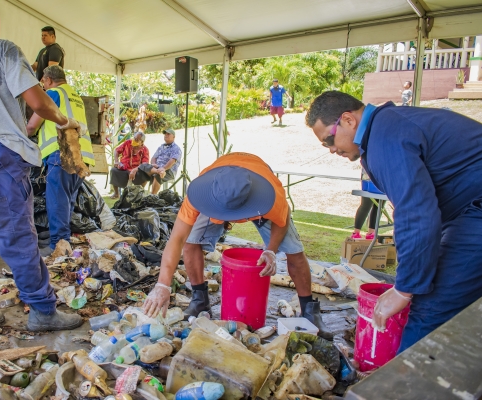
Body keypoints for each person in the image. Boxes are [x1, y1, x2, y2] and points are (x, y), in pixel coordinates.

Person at [306, 90, 482, 352]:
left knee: (428, 310)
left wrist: (404, 290)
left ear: (348, 120)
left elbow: (416, 214)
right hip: (476, 208)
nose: (331, 149)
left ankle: (400, 387)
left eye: (329, 139)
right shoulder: (389, 125)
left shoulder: (385, 136)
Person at [0, 1, 83, 331]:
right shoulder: (3, 49)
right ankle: (42, 312)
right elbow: (37, 101)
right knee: (18, 238)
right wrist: (64, 120)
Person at [142, 152, 332, 339]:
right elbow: (177, 239)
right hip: (219, 194)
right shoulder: (198, 195)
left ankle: (309, 310)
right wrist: (162, 285)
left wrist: (271, 251)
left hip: (255, 197)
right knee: (191, 242)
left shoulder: (272, 196)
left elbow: (281, 222)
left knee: (295, 252)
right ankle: (200, 300)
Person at [26, 65, 95, 256]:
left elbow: (32, 126)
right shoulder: (75, 96)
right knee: (67, 202)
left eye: (43, 83)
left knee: (57, 201)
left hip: (63, 153)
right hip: (82, 157)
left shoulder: (54, 93)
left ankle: (59, 245)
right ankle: (65, 243)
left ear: (48, 80)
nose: (43, 87)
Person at [109, 131, 149, 199]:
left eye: (137, 140)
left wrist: (134, 170)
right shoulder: (128, 143)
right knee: (113, 170)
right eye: (134, 138)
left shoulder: (145, 150)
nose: (134, 140)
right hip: (124, 168)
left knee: (146, 175)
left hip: (136, 170)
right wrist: (116, 161)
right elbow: (116, 151)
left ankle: (139, 193)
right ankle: (116, 193)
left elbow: (144, 164)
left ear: (142, 142)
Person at [142, 128, 182, 195]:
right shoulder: (161, 147)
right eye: (165, 134)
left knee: (157, 175)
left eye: (168, 134)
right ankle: (140, 194)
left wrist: (164, 168)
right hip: (157, 168)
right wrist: (153, 164)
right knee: (143, 168)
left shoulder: (176, 148)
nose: (166, 135)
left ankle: (152, 196)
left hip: (168, 170)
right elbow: (154, 157)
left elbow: (172, 161)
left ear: (174, 137)